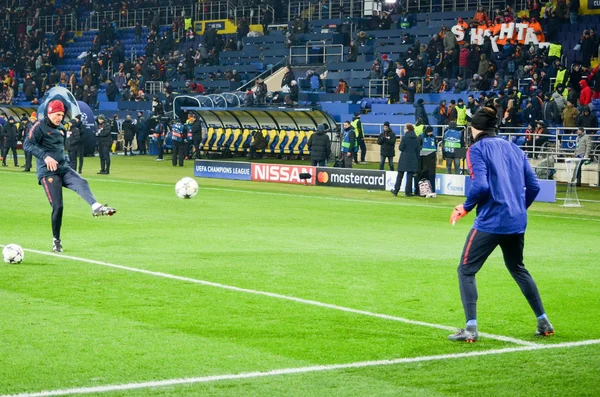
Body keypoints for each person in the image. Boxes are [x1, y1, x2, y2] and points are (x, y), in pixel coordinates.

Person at [448, 107, 553, 343]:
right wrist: (517, 207)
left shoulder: (476, 149)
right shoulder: (514, 148)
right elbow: (534, 186)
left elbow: (481, 186)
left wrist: (465, 207)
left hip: (491, 221)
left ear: (474, 128)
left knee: (466, 270)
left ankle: (471, 328)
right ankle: (543, 320)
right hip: (516, 221)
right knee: (518, 268)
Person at [23, 100, 116, 252]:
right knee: (58, 206)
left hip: (63, 168)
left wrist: (64, 160)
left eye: (61, 115)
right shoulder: (38, 127)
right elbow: (27, 144)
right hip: (48, 172)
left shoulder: (61, 128)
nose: (60, 118)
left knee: (82, 182)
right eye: (57, 114)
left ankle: (95, 206)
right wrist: (45, 157)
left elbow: (59, 149)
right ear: (49, 113)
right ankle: (56, 240)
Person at [391, 124, 420, 196]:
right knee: (410, 176)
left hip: (404, 158)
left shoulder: (404, 138)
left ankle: (396, 190)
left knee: (400, 175)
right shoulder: (416, 138)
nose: (404, 130)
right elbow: (418, 150)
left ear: (407, 129)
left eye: (405, 128)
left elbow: (401, 148)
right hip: (413, 158)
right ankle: (408, 192)